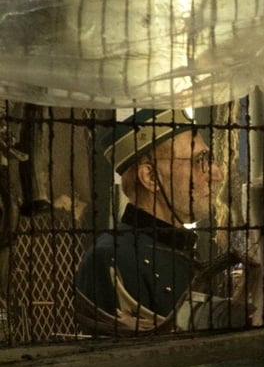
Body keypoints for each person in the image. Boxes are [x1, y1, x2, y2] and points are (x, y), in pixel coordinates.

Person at [75, 108, 252, 335]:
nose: (216, 174)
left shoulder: (182, 250)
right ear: (151, 177)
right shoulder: (111, 258)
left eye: (208, 159)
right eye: (198, 161)